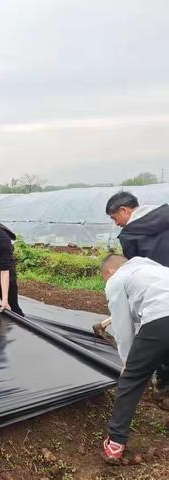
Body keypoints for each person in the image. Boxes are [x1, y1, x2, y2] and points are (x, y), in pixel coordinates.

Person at [101, 254, 169, 464]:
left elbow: (123, 328)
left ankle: (115, 443)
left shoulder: (116, 280)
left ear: (110, 271)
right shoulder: (150, 266)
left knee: (131, 380)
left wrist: (127, 363)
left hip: (162, 316)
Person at [106, 191, 169, 395]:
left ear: (124, 210)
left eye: (115, 218)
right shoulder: (166, 214)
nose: (117, 224)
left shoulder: (131, 235)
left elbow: (134, 269)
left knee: (158, 336)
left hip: (158, 297)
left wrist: (128, 362)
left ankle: (163, 383)